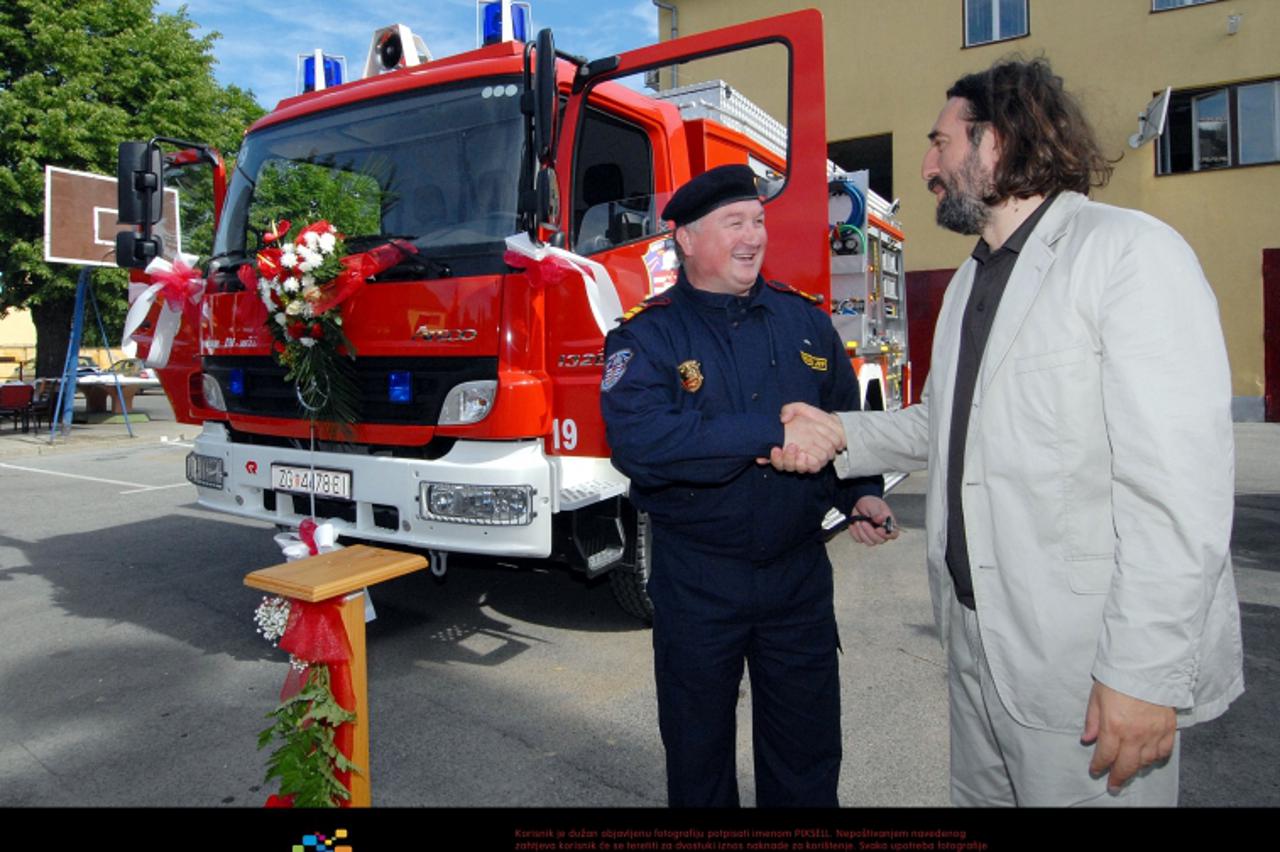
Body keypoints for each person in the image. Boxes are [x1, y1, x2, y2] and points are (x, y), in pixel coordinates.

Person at [772, 58, 1243, 807]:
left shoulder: (1128, 255)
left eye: (941, 142)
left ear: (998, 141)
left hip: (1089, 670)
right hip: (978, 648)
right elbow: (944, 423)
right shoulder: (969, 282)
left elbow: (1179, 489)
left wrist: (1145, 674)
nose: (927, 165)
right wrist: (838, 432)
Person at [599, 164, 896, 807]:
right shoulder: (647, 334)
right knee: (698, 757)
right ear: (686, 238)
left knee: (808, 756)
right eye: (734, 222)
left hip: (798, 579)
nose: (752, 236)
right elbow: (642, 444)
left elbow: (844, 423)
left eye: (757, 221)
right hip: (699, 581)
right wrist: (768, 433)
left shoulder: (805, 323)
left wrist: (861, 493)